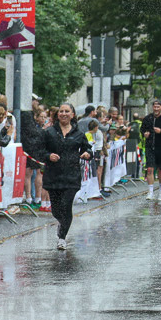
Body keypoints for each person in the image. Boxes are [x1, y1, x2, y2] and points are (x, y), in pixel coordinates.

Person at [40, 103, 92, 250]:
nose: (64, 113)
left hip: (71, 176)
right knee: (56, 210)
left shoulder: (79, 133)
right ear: (58, 115)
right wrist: (48, 155)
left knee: (66, 205)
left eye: (67, 111)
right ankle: (61, 225)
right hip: (53, 176)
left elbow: (87, 148)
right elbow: (40, 150)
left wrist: (87, 154)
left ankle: (62, 237)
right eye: (61, 111)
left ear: (72, 114)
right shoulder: (49, 132)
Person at [141, 99, 161, 200]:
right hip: (150, 146)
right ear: (152, 108)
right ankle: (150, 192)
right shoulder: (148, 118)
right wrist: (144, 133)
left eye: (158, 107)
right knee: (150, 169)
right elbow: (142, 129)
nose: (156, 109)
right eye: (154, 107)